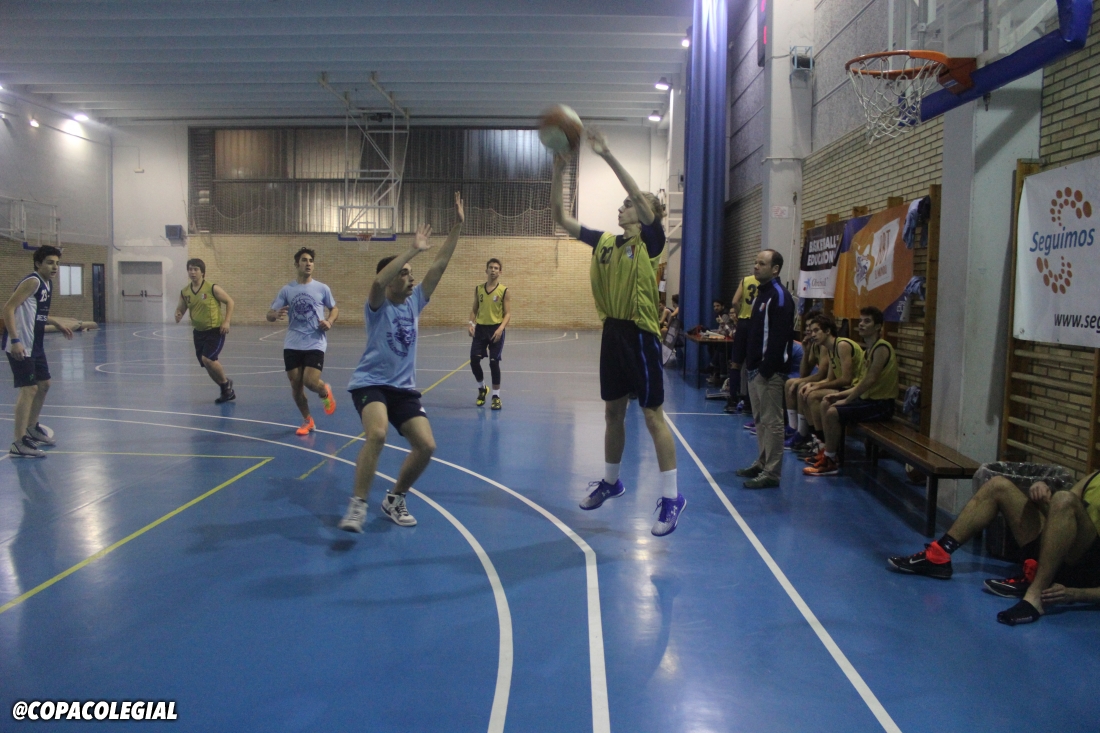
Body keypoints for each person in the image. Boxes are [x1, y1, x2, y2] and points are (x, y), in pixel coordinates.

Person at [552, 129, 685, 537]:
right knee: (612, 413)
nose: (622, 206)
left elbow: (641, 202)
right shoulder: (606, 242)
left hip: (640, 334)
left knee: (652, 415)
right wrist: (558, 171)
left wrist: (608, 154)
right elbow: (561, 219)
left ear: (644, 214)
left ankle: (672, 497)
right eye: (624, 203)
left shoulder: (650, 242)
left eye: (629, 204)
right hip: (612, 332)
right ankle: (611, 482)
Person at [338, 192, 464, 533]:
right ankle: (358, 504)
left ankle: (395, 498)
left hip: (403, 389)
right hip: (371, 384)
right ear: (393, 278)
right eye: (405, 274)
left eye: (411, 274)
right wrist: (411, 250)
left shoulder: (414, 302)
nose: (412, 278)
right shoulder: (377, 306)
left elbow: (439, 266)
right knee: (377, 433)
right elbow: (378, 281)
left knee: (426, 446)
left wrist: (457, 227)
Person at [888, 470, 1100, 626]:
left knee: (1064, 499)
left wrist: (1075, 594)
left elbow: (1066, 503)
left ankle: (1035, 595)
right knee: (999, 485)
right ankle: (939, 555)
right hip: (1056, 549)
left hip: (1084, 568)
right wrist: (1042, 491)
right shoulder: (1095, 476)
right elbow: (1060, 510)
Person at [803, 306, 896, 476]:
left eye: (867, 321)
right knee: (826, 402)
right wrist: (838, 395)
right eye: (860, 320)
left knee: (833, 412)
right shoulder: (869, 350)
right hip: (868, 400)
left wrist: (846, 399)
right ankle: (829, 452)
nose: (861, 324)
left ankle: (831, 460)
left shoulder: (882, 348)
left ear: (878, 326)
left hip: (881, 404)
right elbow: (860, 383)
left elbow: (869, 380)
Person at [2, 245, 74, 458]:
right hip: (21, 343)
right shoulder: (32, 281)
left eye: (57, 263)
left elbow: (36, 312)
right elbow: (8, 308)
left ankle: (32, 427)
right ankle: (18, 442)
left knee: (44, 385)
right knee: (29, 389)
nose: (55, 267)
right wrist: (15, 340)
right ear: (38, 263)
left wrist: (56, 322)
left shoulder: (47, 283)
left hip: (35, 344)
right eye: (50, 263)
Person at [734, 250, 795, 489]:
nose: (756, 267)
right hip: (755, 369)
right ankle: (762, 462)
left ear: (775, 269)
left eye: (762, 263)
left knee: (773, 422)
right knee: (760, 420)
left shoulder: (779, 296)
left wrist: (766, 369)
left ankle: (772, 473)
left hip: (769, 372)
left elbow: (779, 338)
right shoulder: (762, 294)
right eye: (755, 263)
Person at [266, 248, 339, 435]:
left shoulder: (322, 288)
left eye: (311, 260)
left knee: (310, 381)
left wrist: (329, 321)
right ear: (296, 264)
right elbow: (270, 314)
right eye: (304, 260)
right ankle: (308, 420)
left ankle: (324, 391)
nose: (308, 263)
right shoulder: (287, 290)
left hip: (315, 341)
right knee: (296, 385)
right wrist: (274, 314)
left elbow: (334, 309)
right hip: (292, 343)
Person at [798, 316, 863, 462]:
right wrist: (812, 385)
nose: (813, 334)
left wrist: (817, 386)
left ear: (827, 331)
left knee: (814, 396)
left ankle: (825, 445)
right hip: (843, 388)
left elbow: (846, 379)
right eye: (811, 331)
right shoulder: (830, 349)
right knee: (806, 391)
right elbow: (829, 379)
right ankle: (820, 443)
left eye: (816, 330)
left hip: (854, 390)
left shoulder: (842, 345)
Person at [175, 258, 236, 404]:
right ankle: (225, 388)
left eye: (196, 269)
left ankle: (226, 385)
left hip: (214, 330)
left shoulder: (212, 288)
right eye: (190, 269)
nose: (192, 272)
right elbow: (181, 308)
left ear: (202, 272)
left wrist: (227, 321)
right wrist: (178, 314)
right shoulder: (185, 292)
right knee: (207, 364)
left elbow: (230, 301)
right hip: (198, 332)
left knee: (208, 359)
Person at [467, 258, 511, 410]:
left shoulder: (504, 291)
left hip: (496, 329)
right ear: (486, 270)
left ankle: (496, 396)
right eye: (491, 267)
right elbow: (474, 309)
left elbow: (508, 313)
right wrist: (471, 323)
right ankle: (482, 388)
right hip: (480, 330)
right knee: (474, 360)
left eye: (496, 268)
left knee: (493, 362)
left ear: (500, 272)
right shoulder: (479, 289)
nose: (493, 270)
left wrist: (501, 328)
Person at [724, 271, 760, 414]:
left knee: (736, 364)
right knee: (752, 365)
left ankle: (732, 400)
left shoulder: (745, 280)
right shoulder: (765, 282)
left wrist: (740, 315)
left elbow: (734, 301)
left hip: (743, 323)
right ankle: (749, 402)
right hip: (756, 323)